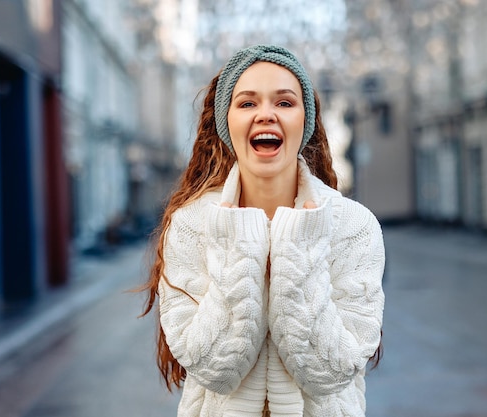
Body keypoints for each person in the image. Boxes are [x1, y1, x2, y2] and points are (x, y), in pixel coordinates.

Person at [141, 44, 385, 417]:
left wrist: (299, 248)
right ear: (227, 123)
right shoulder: (191, 225)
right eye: (247, 103)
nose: (266, 115)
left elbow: (330, 373)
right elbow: (214, 369)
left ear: (306, 121)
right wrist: (237, 242)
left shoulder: (354, 226)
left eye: (284, 103)